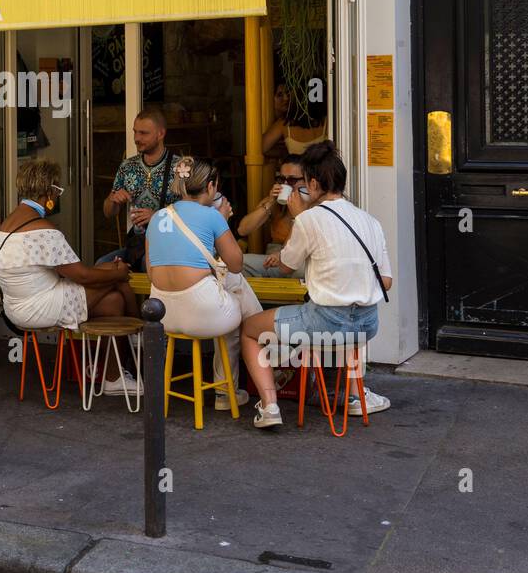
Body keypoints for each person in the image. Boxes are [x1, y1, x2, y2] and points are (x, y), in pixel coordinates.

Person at [240, 140, 393, 430]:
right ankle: (354, 396)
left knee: (249, 330)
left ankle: (270, 405)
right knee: (347, 332)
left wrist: (299, 215)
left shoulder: (308, 219)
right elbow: (385, 281)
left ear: (312, 183)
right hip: (366, 325)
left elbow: (285, 265)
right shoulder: (370, 221)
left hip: (323, 325)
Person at [0, 160, 139, 395]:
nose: (58, 196)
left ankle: (115, 376)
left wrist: (110, 271)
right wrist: (118, 272)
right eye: (57, 190)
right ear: (49, 192)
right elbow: (82, 275)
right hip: (40, 308)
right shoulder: (43, 230)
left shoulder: (8, 223)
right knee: (116, 278)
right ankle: (142, 337)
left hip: (16, 306)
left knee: (114, 301)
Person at [145, 156, 261, 410]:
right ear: (210, 186)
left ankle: (226, 390)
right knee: (235, 281)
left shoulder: (156, 217)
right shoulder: (212, 216)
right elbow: (236, 263)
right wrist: (223, 222)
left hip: (163, 314)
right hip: (202, 312)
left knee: (229, 293)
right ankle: (233, 384)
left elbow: (152, 272)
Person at [101, 109, 176, 269]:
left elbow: (191, 215)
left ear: (161, 134)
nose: (136, 138)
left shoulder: (180, 168)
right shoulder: (127, 166)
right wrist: (113, 200)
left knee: (145, 266)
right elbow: (108, 212)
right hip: (137, 246)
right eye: (135, 132)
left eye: (143, 133)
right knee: (102, 265)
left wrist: (156, 217)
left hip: (169, 245)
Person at [236, 156, 306, 279]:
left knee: (303, 270)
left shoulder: (313, 204)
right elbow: (243, 229)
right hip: (274, 258)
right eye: (281, 179)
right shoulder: (275, 203)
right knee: (239, 263)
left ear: (307, 181)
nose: (285, 184)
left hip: (300, 260)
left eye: (292, 180)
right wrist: (270, 202)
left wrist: (282, 254)